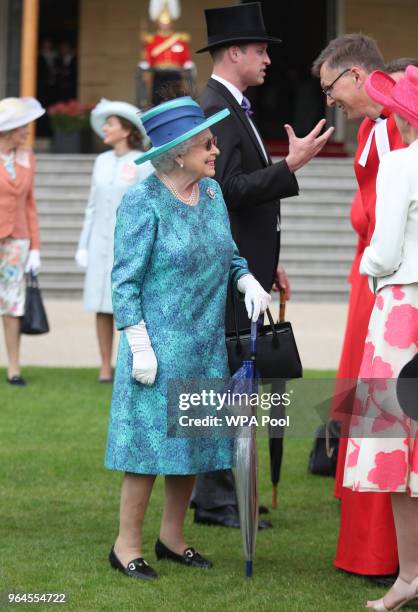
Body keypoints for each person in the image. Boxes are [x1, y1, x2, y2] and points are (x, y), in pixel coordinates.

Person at [104, 95, 271, 580]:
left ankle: (172, 539)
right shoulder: (142, 200)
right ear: (178, 152)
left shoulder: (213, 195)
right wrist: (137, 343)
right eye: (208, 144)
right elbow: (125, 280)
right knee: (148, 451)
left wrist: (246, 281)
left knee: (194, 444)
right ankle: (125, 546)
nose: (217, 151)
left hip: (203, 343)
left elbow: (230, 255)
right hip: (155, 348)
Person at [191, 1, 334, 529]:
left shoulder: (233, 106)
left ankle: (218, 496)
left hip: (244, 271)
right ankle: (216, 499)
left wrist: (266, 264)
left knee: (233, 381)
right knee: (226, 381)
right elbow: (224, 192)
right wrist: (288, 167)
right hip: (225, 278)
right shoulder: (217, 108)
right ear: (234, 53)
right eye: (259, 50)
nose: (267, 60)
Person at [343, 64, 418, 611]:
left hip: (402, 309)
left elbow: (385, 250)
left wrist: (371, 269)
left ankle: (410, 575)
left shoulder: (398, 164)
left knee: (395, 450)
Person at [75, 99, 153, 382]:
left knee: (126, 304)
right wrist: (83, 245)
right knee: (100, 303)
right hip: (99, 242)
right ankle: (105, 365)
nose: (105, 128)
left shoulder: (142, 164)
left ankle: (130, 361)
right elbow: (92, 206)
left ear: (126, 130)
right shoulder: (101, 161)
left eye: (111, 124)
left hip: (129, 245)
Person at [0, 97, 45, 386]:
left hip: (17, 239)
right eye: (22, 128)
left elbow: (29, 203)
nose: (27, 132)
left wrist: (35, 247)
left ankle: (14, 367)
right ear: (7, 131)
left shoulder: (28, 157)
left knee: (13, 303)